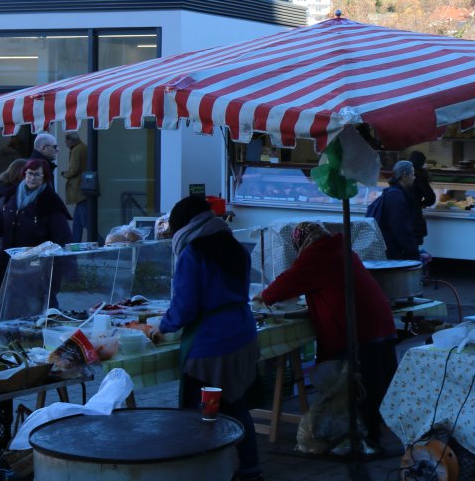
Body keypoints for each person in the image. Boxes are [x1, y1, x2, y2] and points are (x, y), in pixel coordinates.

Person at [253, 222, 397, 452]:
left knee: (357, 391)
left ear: (301, 241)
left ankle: (364, 442)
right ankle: (371, 437)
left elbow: (284, 285)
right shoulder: (341, 249)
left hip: (358, 331)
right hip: (379, 326)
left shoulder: (317, 256)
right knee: (373, 390)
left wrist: (262, 297)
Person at [159, 195, 262, 481]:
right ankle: (250, 469)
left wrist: (161, 327)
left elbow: (184, 308)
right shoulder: (235, 247)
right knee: (237, 406)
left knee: (202, 414)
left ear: (183, 224)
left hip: (211, 345)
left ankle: (202, 471)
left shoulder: (193, 253)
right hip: (243, 333)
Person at [0, 159, 72, 306]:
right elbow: (1, 223)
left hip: (36, 268)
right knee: (5, 308)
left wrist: (67, 267)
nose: (32, 178)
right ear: (24, 174)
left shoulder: (50, 201)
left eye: (37, 175)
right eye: (30, 174)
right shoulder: (12, 196)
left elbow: (62, 237)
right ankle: (2, 329)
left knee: (36, 310)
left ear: (44, 177)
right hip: (9, 265)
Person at [372, 160, 420, 261]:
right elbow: (401, 228)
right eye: (413, 174)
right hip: (393, 250)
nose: (414, 178)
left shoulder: (393, 193)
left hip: (391, 247)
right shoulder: (397, 197)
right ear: (404, 175)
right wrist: (413, 252)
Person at [61, 132, 97, 243]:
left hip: (79, 188)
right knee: (77, 222)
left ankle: (101, 242)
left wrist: (64, 174)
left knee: (85, 221)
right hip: (83, 188)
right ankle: (74, 244)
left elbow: (74, 169)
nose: (65, 144)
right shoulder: (84, 147)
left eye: (66, 141)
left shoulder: (76, 150)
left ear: (70, 140)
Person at [407, 151, 435, 247]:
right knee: (414, 251)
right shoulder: (421, 177)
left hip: (401, 221)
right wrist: (421, 204)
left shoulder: (401, 176)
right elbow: (431, 198)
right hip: (415, 219)